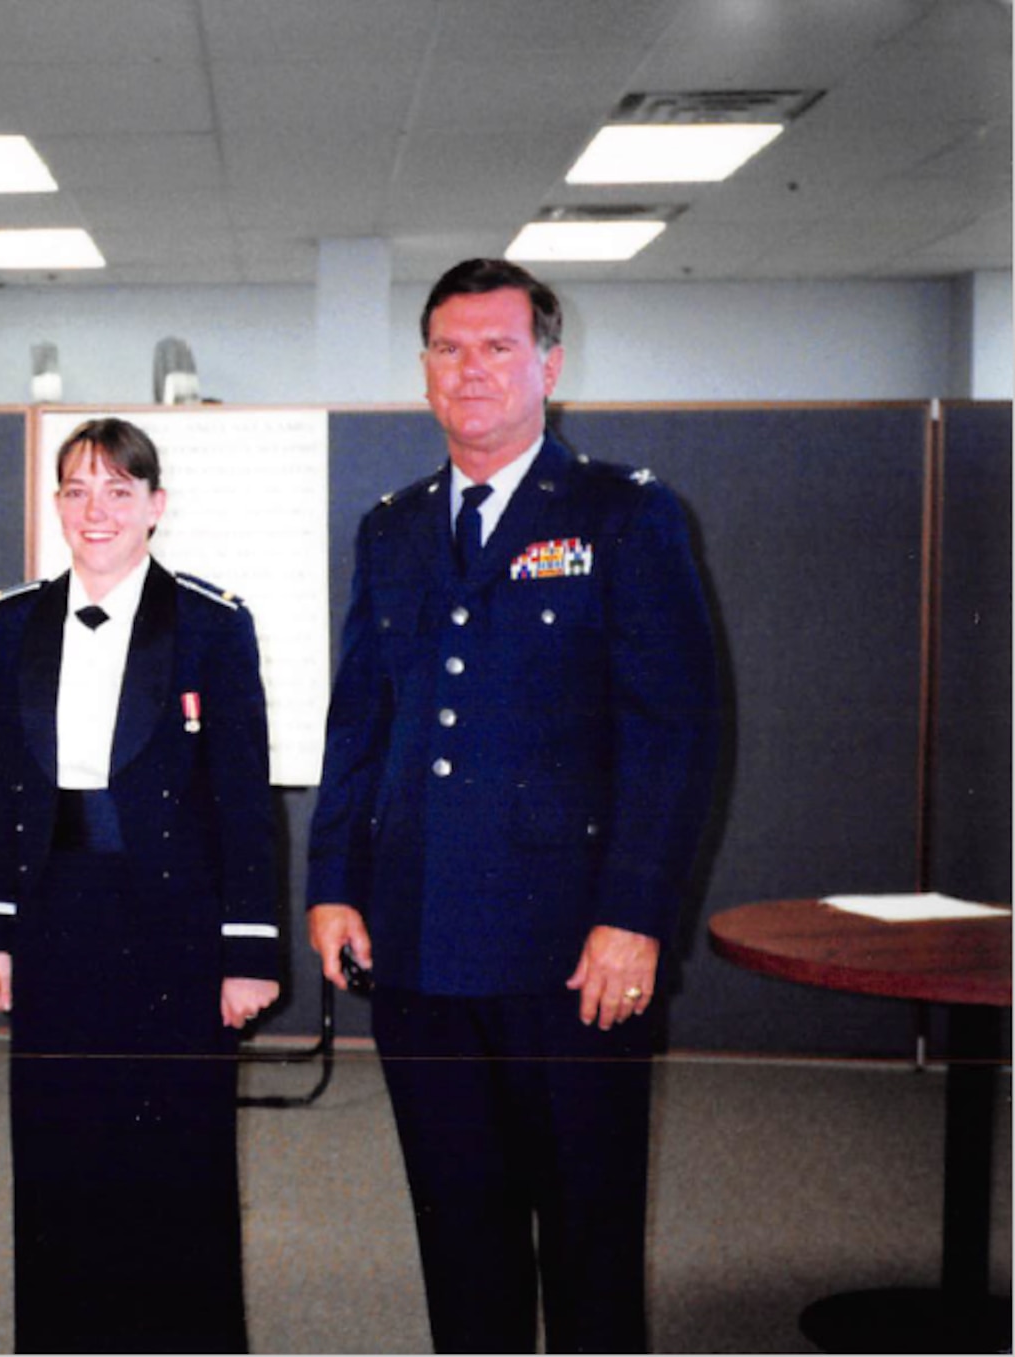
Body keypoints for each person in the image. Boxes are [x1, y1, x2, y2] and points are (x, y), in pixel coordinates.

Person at [307, 258, 719, 1353]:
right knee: (459, 1233)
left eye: (496, 345)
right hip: (419, 942)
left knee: (585, 1236)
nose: (470, 368)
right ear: (423, 370)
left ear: (548, 362)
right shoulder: (390, 529)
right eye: (447, 347)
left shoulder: (621, 514)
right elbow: (361, 719)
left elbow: (674, 730)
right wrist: (333, 883)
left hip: (569, 951)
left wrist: (634, 914)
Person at [0, 417, 282, 1353]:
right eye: (75, 489)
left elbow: (242, 796)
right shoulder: (10, 620)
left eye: (116, 489)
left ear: (155, 505)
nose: (95, 510)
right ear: (57, 505)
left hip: (172, 929)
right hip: (54, 915)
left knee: (175, 1156)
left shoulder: (212, 622)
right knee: (60, 1152)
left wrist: (248, 951)